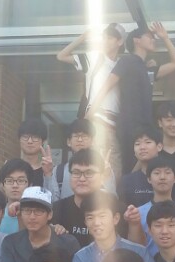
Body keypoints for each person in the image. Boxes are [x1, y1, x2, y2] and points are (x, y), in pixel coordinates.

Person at [87, 22, 175, 174]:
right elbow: (107, 86)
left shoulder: (147, 68)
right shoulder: (127, 61)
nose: (153, 39)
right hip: (128, 125)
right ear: (136, 40)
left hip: (145, 125)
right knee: (128, 167)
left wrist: (165, 38)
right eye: (149, 36)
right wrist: (90, 114)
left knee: (145, 167)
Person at [56, 23, 125, 176]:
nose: (105, 41)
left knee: (113, 168)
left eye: (110, 38)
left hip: (115, 124)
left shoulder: (123, 64)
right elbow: (61, 56)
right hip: (94, 120)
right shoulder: (94, 57)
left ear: (120, 41)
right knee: (92, 165)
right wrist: (83, 37)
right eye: (104, 37)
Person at [71, 191, 160, 262]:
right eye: (90, 218)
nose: (96, 223)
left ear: (116, 219)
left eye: (102, 216)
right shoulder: (81, 257)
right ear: (85, 223)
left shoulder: (139, 251)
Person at [0, 187, 81, 262]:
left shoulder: (68, 242)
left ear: (50, 214)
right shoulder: (11, 242)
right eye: (27, 211)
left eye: (38, 211)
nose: (32, 217)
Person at [51, 148, 131, 247]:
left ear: (102, 177)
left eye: (89, 173)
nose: (82, 179)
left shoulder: (118, 210)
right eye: (76, 173)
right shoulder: (56, 209)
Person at [118, 125, 175, 208]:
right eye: (137, 144)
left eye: (148, 142)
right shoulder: (127, 181)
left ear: (159, 146)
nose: (142, 147)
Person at [136, 154, 175, 256]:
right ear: (149, 179)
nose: (162, 177)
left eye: (167, 173)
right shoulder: (139, 213)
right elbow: (137, 247)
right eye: (157, 173)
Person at [51, 118, 116, 200]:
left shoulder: (104, 168)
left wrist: (106, 176)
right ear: (69, 142)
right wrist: (47, 175)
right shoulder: (58, 171)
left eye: (84, 136)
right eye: (76, 136)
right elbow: (53, 202)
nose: (80, 140)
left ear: (92, 141)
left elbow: (113, 201)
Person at [17, 118, 57, 197]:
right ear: (19, 140)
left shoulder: (52, 170)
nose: (30, 141)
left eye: (35, 137)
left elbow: (54, 200)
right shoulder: (10, 168)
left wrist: (48, 174)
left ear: (43, 141)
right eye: (25, 137)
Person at [0, 158, 33, 235]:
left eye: (21, 181)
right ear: (2, 185)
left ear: (30, 185)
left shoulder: (36, 216)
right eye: (9, 181)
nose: (15, 185)